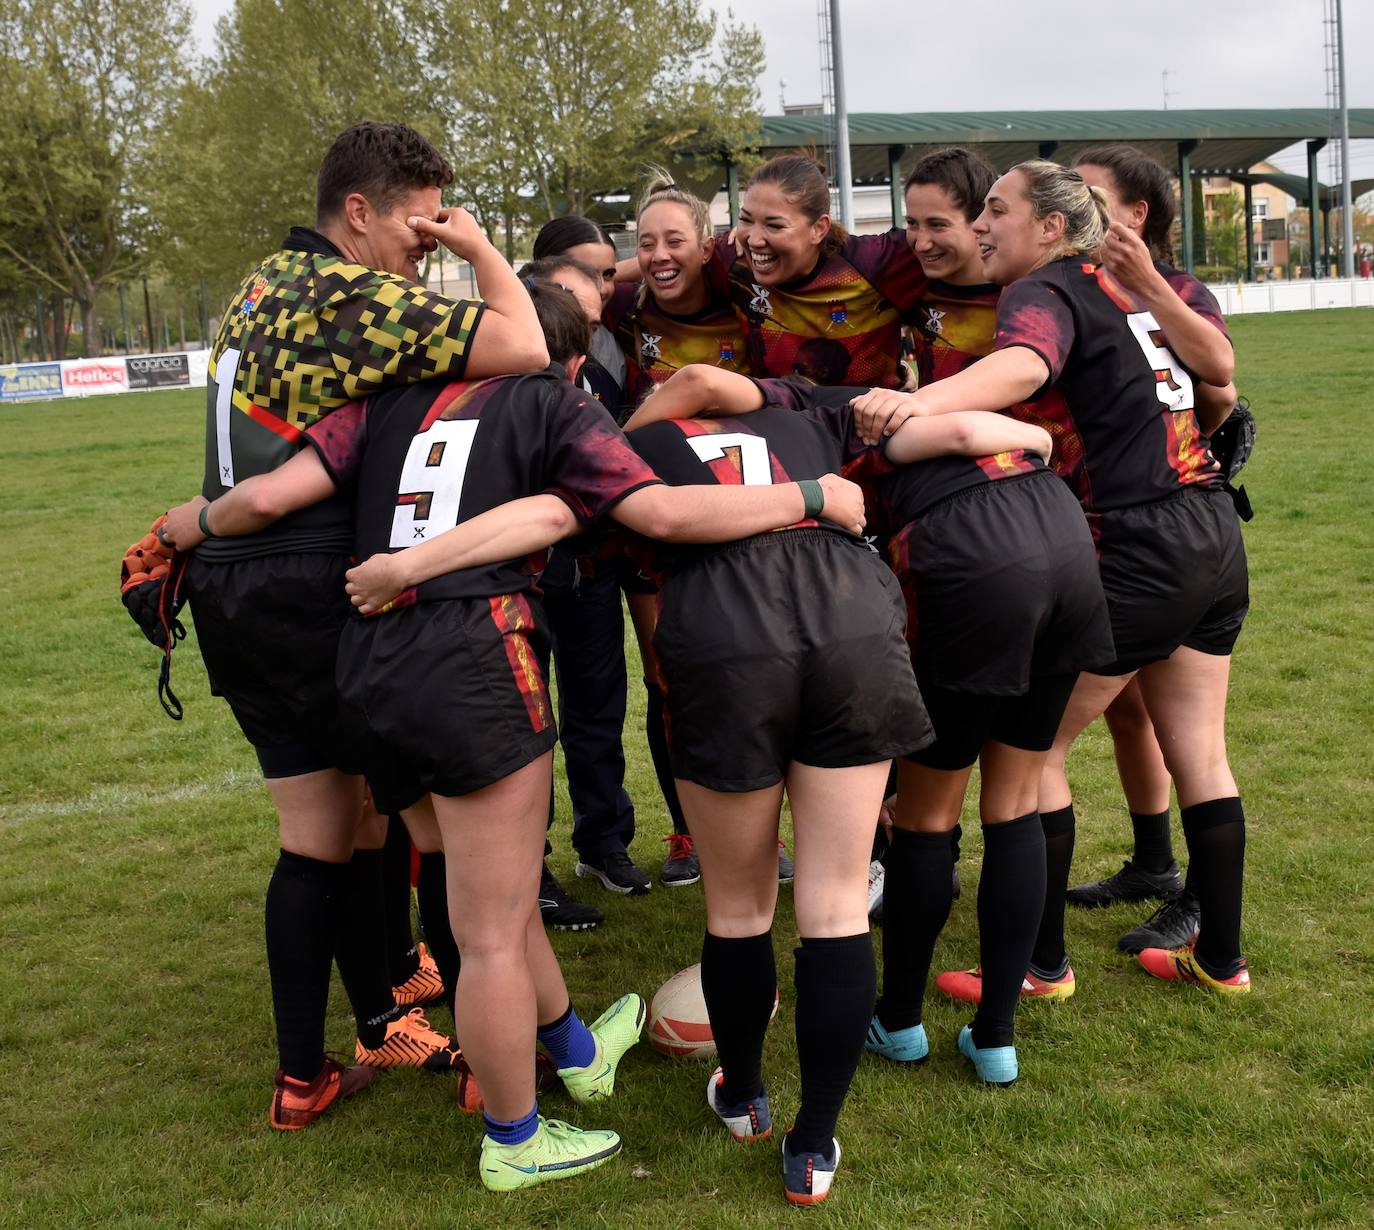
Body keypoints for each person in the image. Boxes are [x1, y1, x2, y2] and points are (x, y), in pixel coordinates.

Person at [166, 280, 867, 1191]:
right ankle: (514, 1135)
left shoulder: (381, 404)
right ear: (568, 360)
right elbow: (619, 514)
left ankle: (575, 1047)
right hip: (470, 652)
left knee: (469, 881)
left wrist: (198, 520)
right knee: (493, 922)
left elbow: (269, 498)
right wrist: (813, 494)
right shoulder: (553, 401)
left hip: (367, 663)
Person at [173, 121, 549, 1130]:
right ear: (358, 210)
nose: (425, 248)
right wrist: (481, 252)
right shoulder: (346, 293)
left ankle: (317, 1065)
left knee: (325, 833)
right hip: (315, 580)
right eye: (417, 227)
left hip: (230, 586)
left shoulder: (260, 284)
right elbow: (524, 344)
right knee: (430, 815)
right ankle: (480, 1058)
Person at [631, 361, 1110, 1091]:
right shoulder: (821, 409)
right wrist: (1037, 445)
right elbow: (971, 428)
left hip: (927, 573)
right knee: (1013, 798)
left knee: (912, 822)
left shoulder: (817, 425)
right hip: (1050, 546)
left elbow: (695, 388)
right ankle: (991, 1040)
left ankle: (887, 1027)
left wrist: (618, 436)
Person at [854, 160, 1252, 996]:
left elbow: (1026, 368)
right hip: (1212, 529)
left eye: (997, 209)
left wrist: (916, 403)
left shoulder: (1048, 286)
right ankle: (1220, 961)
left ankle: (1040, 966)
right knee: (1204, 757)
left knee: (1032, 754)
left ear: (1048, 227)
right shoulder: (1149, 285)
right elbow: (1218, 379)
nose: (983, 224)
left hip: (1135, 539)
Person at [621, 372, 934, 1205]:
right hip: (850, 614)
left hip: (726, 622)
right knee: (833, 905)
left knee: (737, 906)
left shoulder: (632, 440)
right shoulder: (804, 415)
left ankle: (747, 1095)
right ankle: (814, 1142)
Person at [1063, 144, 1239, 956]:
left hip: (1151, 534)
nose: (1073, 205)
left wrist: (1151, 284)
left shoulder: (1178, 292)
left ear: (1137, 217)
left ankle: (1196, 909)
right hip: (1139, 529)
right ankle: (1157, 867)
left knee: (1052, 740)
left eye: (1091, 196)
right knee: (1134, 715)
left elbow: (1221, 381)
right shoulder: (1068, 288)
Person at [602, 172, 754, 887]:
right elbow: (578, 275)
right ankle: (689, 833)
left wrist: (704, 251)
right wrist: (649, 258)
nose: (659, 256)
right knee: (671, 678)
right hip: (658, 515)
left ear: (708, 247)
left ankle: (767, 829)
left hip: (747, 508)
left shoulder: (747, 298)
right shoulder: (625, 306)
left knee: (755, 669)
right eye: (646, 243)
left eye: (675, 242)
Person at [723, 152, 928, 389]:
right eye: (746, 220)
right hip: (775, 422)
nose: (755, 239)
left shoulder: (877, 262)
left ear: (819, 228)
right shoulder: (730, 259)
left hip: (869, 423)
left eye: (774, 225)